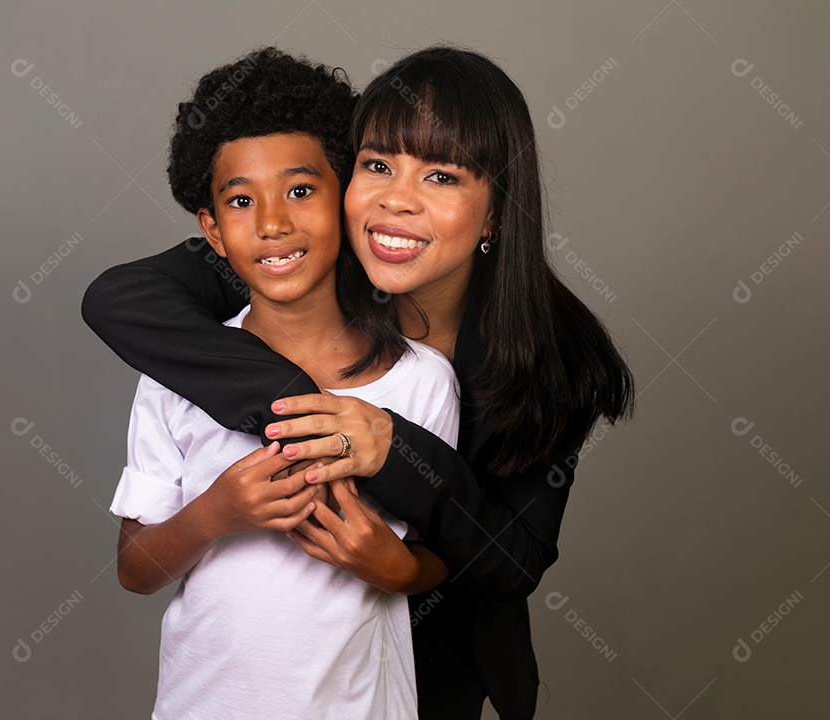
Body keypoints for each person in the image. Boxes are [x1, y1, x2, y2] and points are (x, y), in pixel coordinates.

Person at [84, 46, 634, 720]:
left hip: (433, 645)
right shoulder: (294, 254)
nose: (396, 201)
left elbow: (512, 561)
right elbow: (120, 300)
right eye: (377, 166)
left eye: (441, 176)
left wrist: (391, 450)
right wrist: (311, 415)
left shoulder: (551, 361)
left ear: (494, 213)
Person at [106, 47, 460, 719]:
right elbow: (136, 569)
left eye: (301, 190)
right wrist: (219, 512)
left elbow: (451, 552)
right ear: (211, 229)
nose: (272, 223)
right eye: (241, 201)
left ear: (348, 198)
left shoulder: (421, 383)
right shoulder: (179, 374)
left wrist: (399, 570)